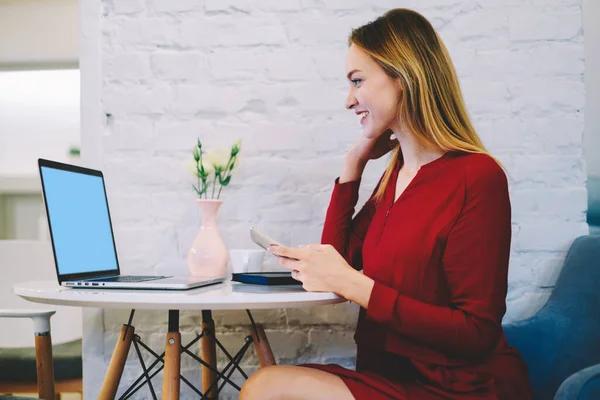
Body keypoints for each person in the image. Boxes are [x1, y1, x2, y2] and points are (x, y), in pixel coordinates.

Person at [239, 7, 533, 400]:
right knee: (266, 385)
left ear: (403, 76)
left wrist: (355, 283)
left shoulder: (477, 177)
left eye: (357, 81)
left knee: (268, 388)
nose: (348, 101)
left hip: (459, 385)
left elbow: (476, 334)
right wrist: (352, 166)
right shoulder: (393, 178)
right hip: (388, 376)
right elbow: (337, 259)